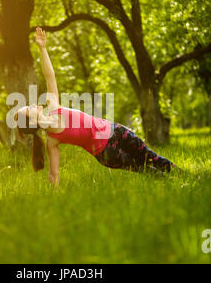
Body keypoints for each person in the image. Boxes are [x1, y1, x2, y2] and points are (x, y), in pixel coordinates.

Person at [14, 27, 178, 188]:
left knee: (151, 157)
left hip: (115, 130)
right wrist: (55, 195)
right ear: (33, 120)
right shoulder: (52, 141)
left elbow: (49, 76)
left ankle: (184, 177)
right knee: (145, 169)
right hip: (107, 153)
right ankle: (174, 187)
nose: (33, 104)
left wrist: (43, 49)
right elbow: (54, 173)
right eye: (29, 109)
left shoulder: (53, 105)